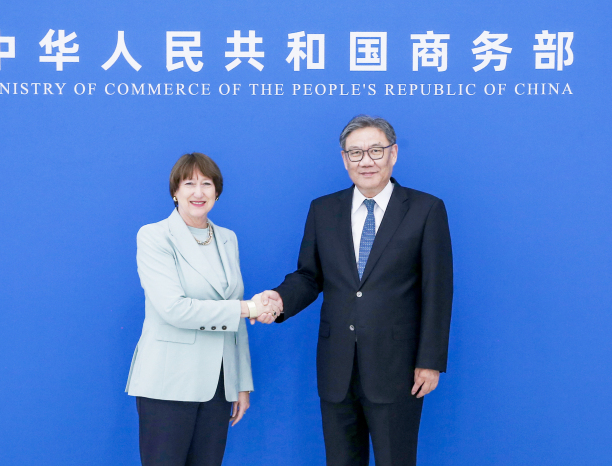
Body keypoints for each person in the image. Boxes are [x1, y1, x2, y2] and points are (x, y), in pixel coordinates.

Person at [260, 115, 453, 466]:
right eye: (356, 153)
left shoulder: (426, 209)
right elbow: (309, 276)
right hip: (337, 367)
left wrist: (430, 361)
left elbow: (437, 291)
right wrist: (281, 299)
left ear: (393, 153)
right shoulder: (323, 210)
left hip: (397, 368)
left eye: (375, 150)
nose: (366, 161)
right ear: (344, 159)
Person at [125, 152, 281, 466]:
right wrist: (250, 308)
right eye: (189, 184)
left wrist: (240, 383)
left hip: (219, 385)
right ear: (175, 191)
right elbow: (174, 309)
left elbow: (235, 317)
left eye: (207, 184)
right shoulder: (154, 236)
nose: (199, 192)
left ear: (217, 192)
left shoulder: (227, 239)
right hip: (168, 383)